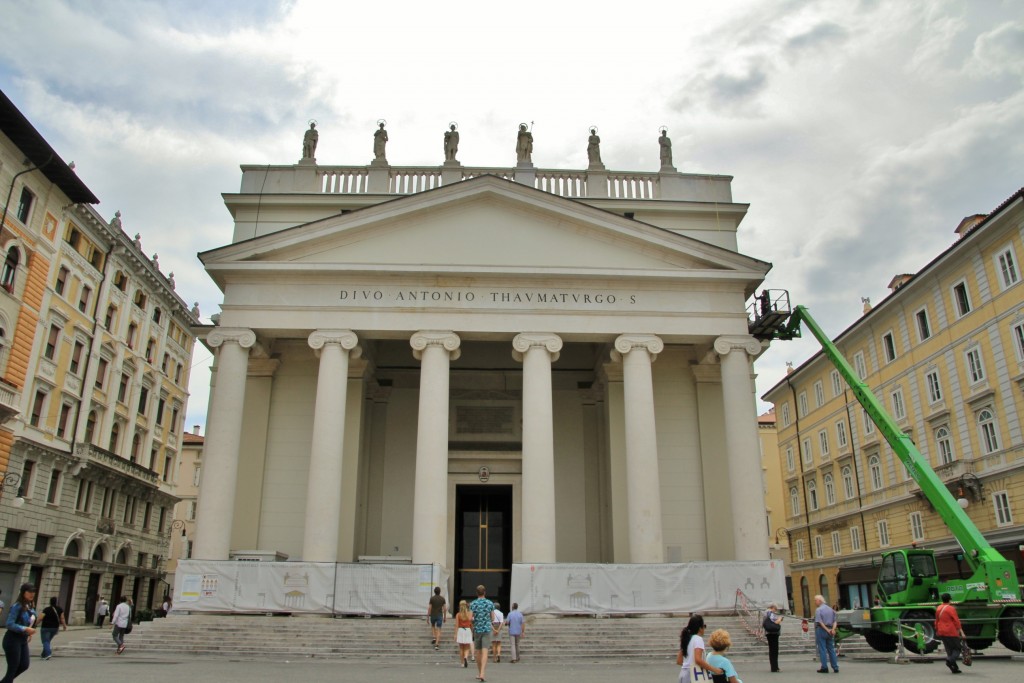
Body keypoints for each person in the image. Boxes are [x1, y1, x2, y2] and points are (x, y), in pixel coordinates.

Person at [1, 583, 37, 683]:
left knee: (24, 665)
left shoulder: (30, 606)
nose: (32, 594)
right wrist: (25, 629)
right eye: (29, 591)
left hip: (22, 639)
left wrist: (29, 632)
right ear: (23, 592)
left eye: (33, 591)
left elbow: (30, 621)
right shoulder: (17, 606)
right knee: (13, 668)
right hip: (12, 639)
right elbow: (9, 624)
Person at [679, 614, 722, 683]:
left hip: (683, 674)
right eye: (704, 626)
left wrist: (688, 664)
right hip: (693, 676)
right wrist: (715, 670)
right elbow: (698, 660)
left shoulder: (686, 639)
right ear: (700, 628)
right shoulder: (698, 639)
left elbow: (679, 661)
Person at [935, 593, 966, 674]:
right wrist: (961, 632)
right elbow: (956, 621)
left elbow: (936, 620)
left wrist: (937, 629)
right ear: (950, 599)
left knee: (949, 649)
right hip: (951, 631)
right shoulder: (951, 608)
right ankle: (950, 660)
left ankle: (954, 668)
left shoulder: (938, 608)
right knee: (957, 648)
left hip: (941, 631)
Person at [470, 585, 494, 682]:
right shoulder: (490, 603)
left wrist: (475, 622)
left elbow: (470, 618)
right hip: (487, 629)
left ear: (476, 593)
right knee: (485, 651)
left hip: (477, 629)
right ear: (485, 592)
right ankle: (483, 673)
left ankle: (480, 672)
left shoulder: (473, 604)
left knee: (478, 652)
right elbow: (492, 618)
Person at [813, 594, 838, 673]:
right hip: (830, 629)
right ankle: (835, 667)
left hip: (821, 630)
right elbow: (835, 621)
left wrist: (827, 630)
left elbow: (820, 622)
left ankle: (824, 667)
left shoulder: (818, 610)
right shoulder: (830, 609)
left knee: (822, 649)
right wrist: (833, 629)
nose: (815, 602)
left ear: (820, 601)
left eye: (815, 600)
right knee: (831, 649)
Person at [764, 602, 783, 672]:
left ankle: (774, 666)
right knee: (774, 650)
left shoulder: (766, 613)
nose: (776, 611)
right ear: (772, 608)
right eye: (775, 609)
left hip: (769, 633)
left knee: (772, 650)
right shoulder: (770, 613)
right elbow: (775, 622)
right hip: (773, 633)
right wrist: (780, 619)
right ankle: (774, 667)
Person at [454, 599, 473, 668]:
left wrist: (455, 634)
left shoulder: (458, 615)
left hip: (460, 630)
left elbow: (456, 625)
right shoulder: (470, 613)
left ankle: (462, 662)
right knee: (467, 647)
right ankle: (466, 657)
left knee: (461, 647)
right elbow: (471, 622)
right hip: (467, 630)